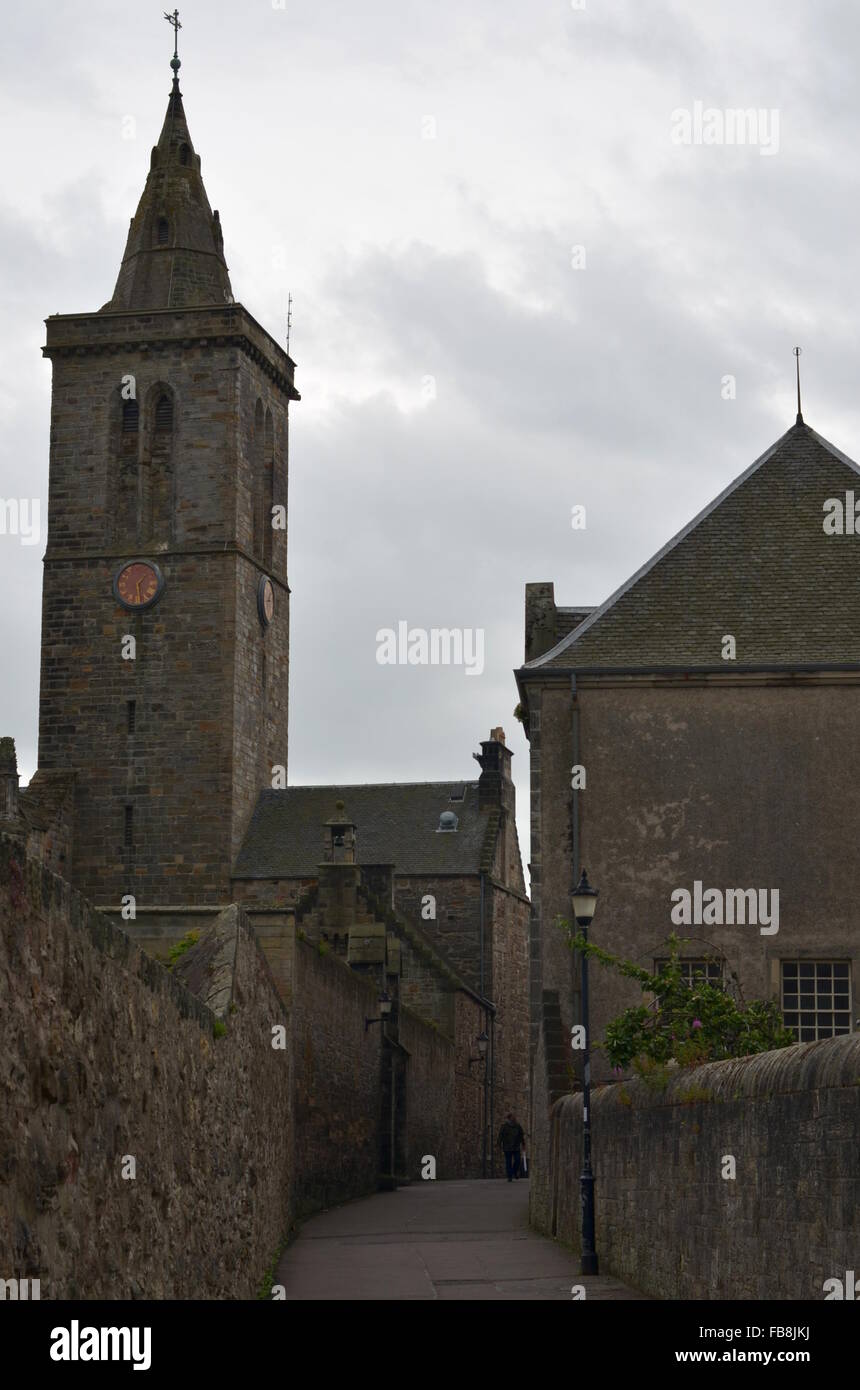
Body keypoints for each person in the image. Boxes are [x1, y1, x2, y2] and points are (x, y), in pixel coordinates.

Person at [498, 1113, 525, 1181]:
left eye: (514, 1117)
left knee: (518, 1160)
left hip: (516, 1147)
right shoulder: (504, 1126)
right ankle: (509, 1176)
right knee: (508, 1162)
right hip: (507, 1147)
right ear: (509, 1118)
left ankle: (515, 1172)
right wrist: (499, 1144)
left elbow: (521, 1135)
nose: (514, 1118)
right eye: (513, 1117)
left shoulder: (518, 1126)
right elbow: (500, 1135)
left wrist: (523, 1144)